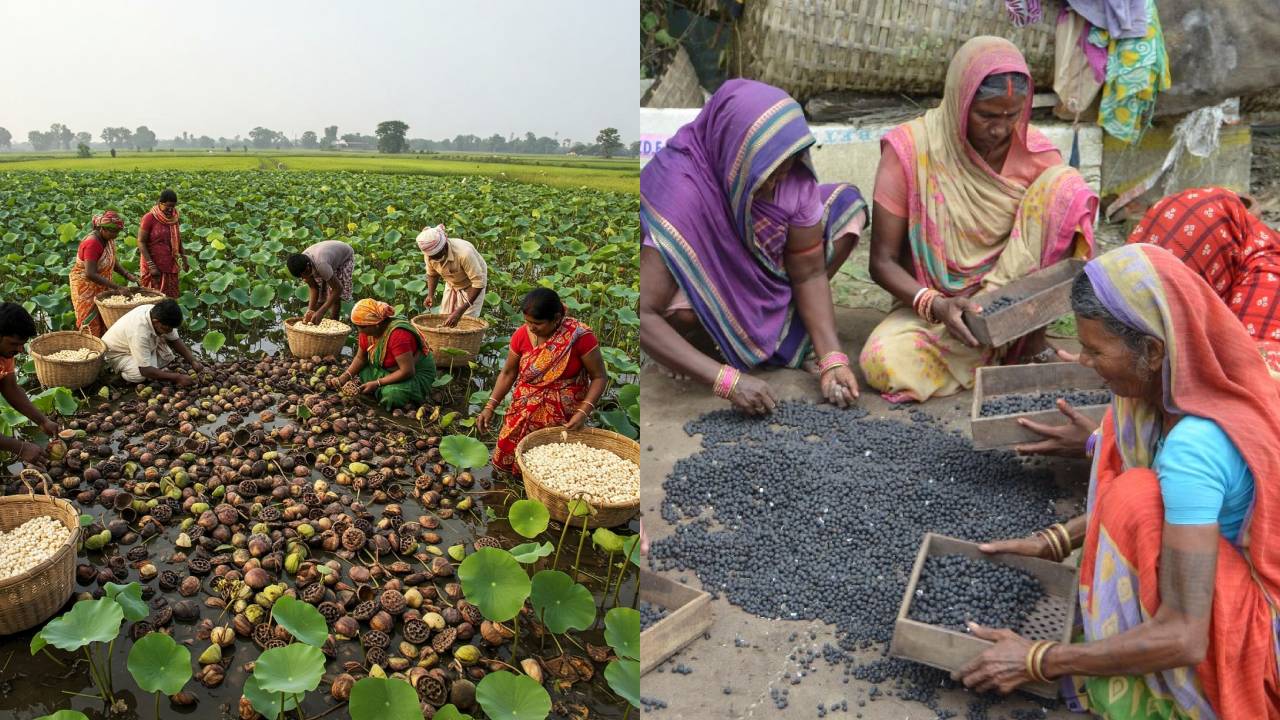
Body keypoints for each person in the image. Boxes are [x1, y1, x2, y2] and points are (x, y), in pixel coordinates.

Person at [957, 245, 1279, 718]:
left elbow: (1183, 636)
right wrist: (1055, 540)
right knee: (1122, 459)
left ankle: (1174, 697)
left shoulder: (1195, 448)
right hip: (1225, 569)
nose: (1083, 361)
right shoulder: (1207, 380)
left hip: (1258, 642)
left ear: (1153, 351)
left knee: (1134, 500)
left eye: (1095, 350)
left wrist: (1040, 660)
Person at [858, 36, 1099, 403]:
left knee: (1068, 188)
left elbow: (1051, 256)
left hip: (1013, 313)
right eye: (986, 115)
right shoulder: (911, 151)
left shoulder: (1038, 155)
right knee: (882, 361)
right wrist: (938, 306)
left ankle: (1026, 344)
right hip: (938, 314)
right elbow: (882, 262)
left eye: (1011, 115)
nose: (1000, 129)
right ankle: (988, 351)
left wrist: (1004, 312)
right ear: (960, 101)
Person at [640, 79, 866, 416]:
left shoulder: (792, 178)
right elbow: (643, 312)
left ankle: (786, 331)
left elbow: (809, 273)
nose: (774, 184)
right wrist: (727, 381)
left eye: (781, 173)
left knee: (847, 208)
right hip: (712, 278)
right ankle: (699, 347)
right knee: (682, 311)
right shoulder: (683, 193)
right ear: (733, 156)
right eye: (764, 177)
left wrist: (833, 359)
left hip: (764, 275)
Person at [477, 288, 608, 476]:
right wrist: (490, 406)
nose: (531, 327)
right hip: (525, 405)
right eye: (527, 321)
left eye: (537, 323)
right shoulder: (521, 335)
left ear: (556, 318)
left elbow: (599, 377)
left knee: (553, 466)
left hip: (564, 412)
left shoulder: (579, 337)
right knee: (507, 456)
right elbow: (508, 373)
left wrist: (583, 411)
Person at [330, 299, 436, 410]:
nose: (360, 331)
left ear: (376, 324)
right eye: (357, 326)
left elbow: (408, 371)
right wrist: (345, 376)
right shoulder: (367, 332)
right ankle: (379, 387)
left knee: (393, 395)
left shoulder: (398, 335)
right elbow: (361, 358)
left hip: (412, 373)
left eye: (362, 327)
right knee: (363, 371)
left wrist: (377, 383)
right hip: (388, 369)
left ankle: (399, 393)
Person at [0, 303, 61, 465]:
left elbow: (10, 387)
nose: (20, 350)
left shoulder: (4, 353)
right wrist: (20, 447)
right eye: (14, 343)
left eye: (22, 343)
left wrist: (42, 421)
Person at [70, 210, 139, 337]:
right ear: (103, 229)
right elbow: (90, 273)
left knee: (105, 319)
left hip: (101, 284)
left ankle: (103, 345)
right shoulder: (92, 243)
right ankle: (92, 346)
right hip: (86, 288)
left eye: (117, 232)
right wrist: (118, 288)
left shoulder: (108, 239)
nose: (116, 235)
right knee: (90, 323)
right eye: (113, 232)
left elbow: (111, 260)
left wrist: (127, 274)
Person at [102, 300, 203, 386]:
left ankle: (151, 365)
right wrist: (177, 378)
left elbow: (174, 340)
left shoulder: (157, 312)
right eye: (166, 329)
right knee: (140, 376)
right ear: (156, 322)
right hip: (118, 353)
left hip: (136, 344)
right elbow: (145, 370)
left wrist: (193, 361)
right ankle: (121, 374)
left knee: (166, 359)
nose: (169, 332)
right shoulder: (139, 331)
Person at [416, 224, 488, 327]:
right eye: (431, 256)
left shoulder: (464, 254)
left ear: (444, 247)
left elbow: (478, 283)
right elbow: (432, 274)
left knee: (466, 321)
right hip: (452, 281)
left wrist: (461, 310)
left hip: (472, 283)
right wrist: (430, 295)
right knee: (445, 317)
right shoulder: (429, 255)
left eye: (436, 254)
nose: (433, 258)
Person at [287, 240, 354, 324]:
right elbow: (314, 288)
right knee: (321, 297)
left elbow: (338, 289)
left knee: (334, 297)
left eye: (305, 275)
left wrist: (322, 311)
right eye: (302, 277)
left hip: (344, 256)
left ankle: (334, 324)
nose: (304, 279)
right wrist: (310, 311)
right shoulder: (301, 265)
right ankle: (314, 319)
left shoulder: (321, 264)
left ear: (308, 267)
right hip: (325, 258)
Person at [136, 189, 185, 298]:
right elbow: (141, 242)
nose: (170, 209)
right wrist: (151, 266)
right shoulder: (149, 218)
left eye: (173, 206)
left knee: (170, 299)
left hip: (170, 265)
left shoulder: (174, 218)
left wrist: (184, 257)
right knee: (152, 299)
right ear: (160, 203)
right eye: (168, 206)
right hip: (154, 265)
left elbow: (178, 239)